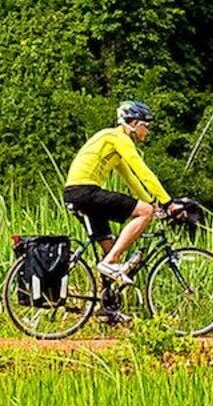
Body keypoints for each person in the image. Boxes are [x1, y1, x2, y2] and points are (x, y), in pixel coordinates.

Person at [63, 99, 170, 288]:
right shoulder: (118, 138)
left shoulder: (113, 142)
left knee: (110, 248)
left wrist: (153, 203)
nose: (148, 131)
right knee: (143, 213)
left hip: (76, 193)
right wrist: (167, 202)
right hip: (85, 191)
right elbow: (143, 172)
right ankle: (110, 262)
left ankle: (106, 308)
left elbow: (131, 179)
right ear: (134, 124)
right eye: (146, 126)